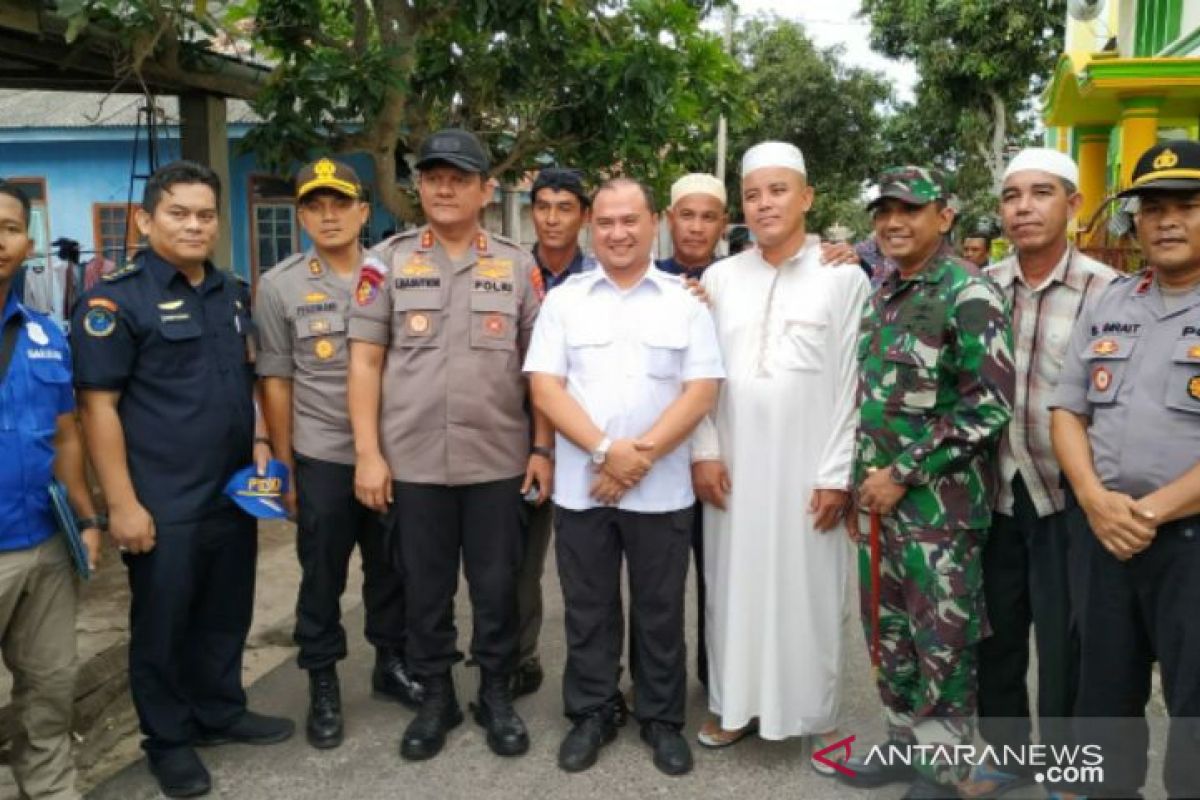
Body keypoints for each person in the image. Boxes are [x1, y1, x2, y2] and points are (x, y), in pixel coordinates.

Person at [72, 161, 294, 798]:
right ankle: (168, 739)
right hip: (161, 498)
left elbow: (244, 382)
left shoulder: (232, 292)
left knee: (225, 611)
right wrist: (122, 504)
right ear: (145, 219)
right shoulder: (114, 300)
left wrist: (257, 439)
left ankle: (219, 710)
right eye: (179, 213)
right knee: (164, 623)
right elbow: (98, 408)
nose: (195, 225)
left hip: (229, 491)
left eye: (205, 215)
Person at [347, 129, 551, 762]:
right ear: (419, 186)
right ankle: (435, 694)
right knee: (424, 589)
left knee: (496, 587)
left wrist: (541, 448)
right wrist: (368, 454)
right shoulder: (385, 261)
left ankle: (494, 693)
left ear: (486, 190)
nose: (443, 187)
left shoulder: (519, 265)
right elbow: (364, 364)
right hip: (412, 462)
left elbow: (539, 369)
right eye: (432, 176)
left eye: (458, 177)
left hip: (497, 461)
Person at [525, 177, 723, 776]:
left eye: (629, 221)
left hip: (662, 490)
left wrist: (638, 457)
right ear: (593, 228)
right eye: (606, 222)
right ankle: (592, 710)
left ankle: (661, 718)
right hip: (583, 490)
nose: (617, 233)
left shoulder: (685, 300)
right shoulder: (566, 301)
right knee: (588, 607)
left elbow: (703, 390)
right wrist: (608, 450)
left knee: (660, 608)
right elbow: (544, 387)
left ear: (652, 223)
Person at [689, 143, 868, 761]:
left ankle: (811, 711)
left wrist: (838, 473)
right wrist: (705, 450)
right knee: (731, 586)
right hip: (734, 466)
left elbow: (852, 380)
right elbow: (700, 376)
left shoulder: (844, 276)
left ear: (807, 198)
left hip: (808, 469)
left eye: (778, 190)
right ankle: (733, 704)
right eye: (754, 194)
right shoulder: (719, 278)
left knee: (810, 591)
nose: (765, 204)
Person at [841, 166, 1014, 798]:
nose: (893, 222)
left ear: (944, 215)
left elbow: (987, 407)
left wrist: (903, 473)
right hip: (881, 509)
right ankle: (902, 748)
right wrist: (868, 484)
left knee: (941, 642)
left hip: (940, 515)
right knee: (887, 637)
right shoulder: (885, 290)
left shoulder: (968, 294)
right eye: (883, 211)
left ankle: (947, 773)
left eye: (909, 210)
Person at [1050, 140, 1200, 800]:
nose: (1168, 221)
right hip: (1103, 537)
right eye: (1153, 208)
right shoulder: (1110, 301)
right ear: (1132, 222)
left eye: (1188, 207)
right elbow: (1066, 409)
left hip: (1189, 545)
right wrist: (1093, 500)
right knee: (1102, 697)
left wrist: (1149, 512)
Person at [254, 158, 419, 751]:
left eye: (340, 203)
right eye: (315, 206)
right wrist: (285, 467)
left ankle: (390, 662)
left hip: (395, 452)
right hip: (322, 453)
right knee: (321, 575)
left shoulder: (399, 272)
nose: (329, 215)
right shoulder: (281, 286)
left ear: (363, 212)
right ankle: (322, 681)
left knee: (393, 566)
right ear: (300, 216)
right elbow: (275, 380)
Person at [967, 148, 1117, 798]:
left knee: (1066, 643)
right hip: (993, 492)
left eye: (1041, 194)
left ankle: (1064, 768)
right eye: (1011, 196)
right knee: (994, 636)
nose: (1024, 208)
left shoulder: (1108, 292)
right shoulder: (980, 288)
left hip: (1068, 497)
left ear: (1073, 205)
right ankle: (1004, 757)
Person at [0, 179, 102, 800]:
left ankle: (50, 790)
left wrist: (88, 522)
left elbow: (66, 438)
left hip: (43, 546)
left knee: (49, 688)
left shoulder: (45, 333)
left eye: (9, 228)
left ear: (27, 241)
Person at [512, 166, 597, 699]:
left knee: (589, 565)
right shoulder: (510, 271)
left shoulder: (604, 275)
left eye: (565, 207)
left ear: (584, 216)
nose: (551, 217)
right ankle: (517, 657)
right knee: (517, 560)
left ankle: (596, 674)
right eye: (542, 205)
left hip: (588, 443)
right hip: (519, 440)